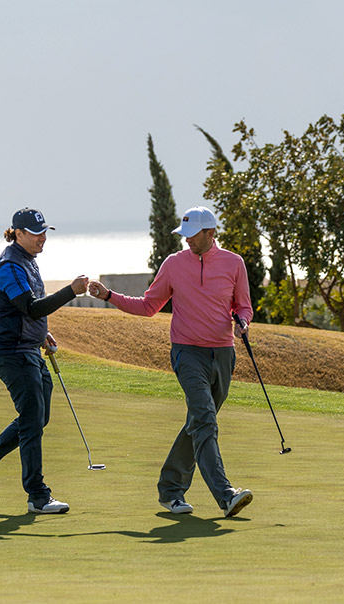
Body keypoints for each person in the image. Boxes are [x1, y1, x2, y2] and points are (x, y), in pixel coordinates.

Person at [88, 206, 255, 517]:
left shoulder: (234, 264)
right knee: (204, 419)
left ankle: (170, 490)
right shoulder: (174, 264)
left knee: (198, 422)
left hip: (223, 353)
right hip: (186, 352)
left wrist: (243, 321)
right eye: (185, 235)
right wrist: (109, 295)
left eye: (193, 236)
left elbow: (244, 305)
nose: (187, 241)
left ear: (211, 233)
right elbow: (150, 306)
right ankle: (226, 494)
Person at [0, 208, 88, 515]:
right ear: (17, 234)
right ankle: (37, 496)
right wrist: (70, 291)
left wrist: (42, 333)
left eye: (44, 232)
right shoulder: (8, 266)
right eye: (35, 233)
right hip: (11, 354)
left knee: (37, 417)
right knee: (32, 419)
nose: (42, 238)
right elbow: (30, 307)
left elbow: (27, 313)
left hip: (28, 349)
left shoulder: (27, 261)